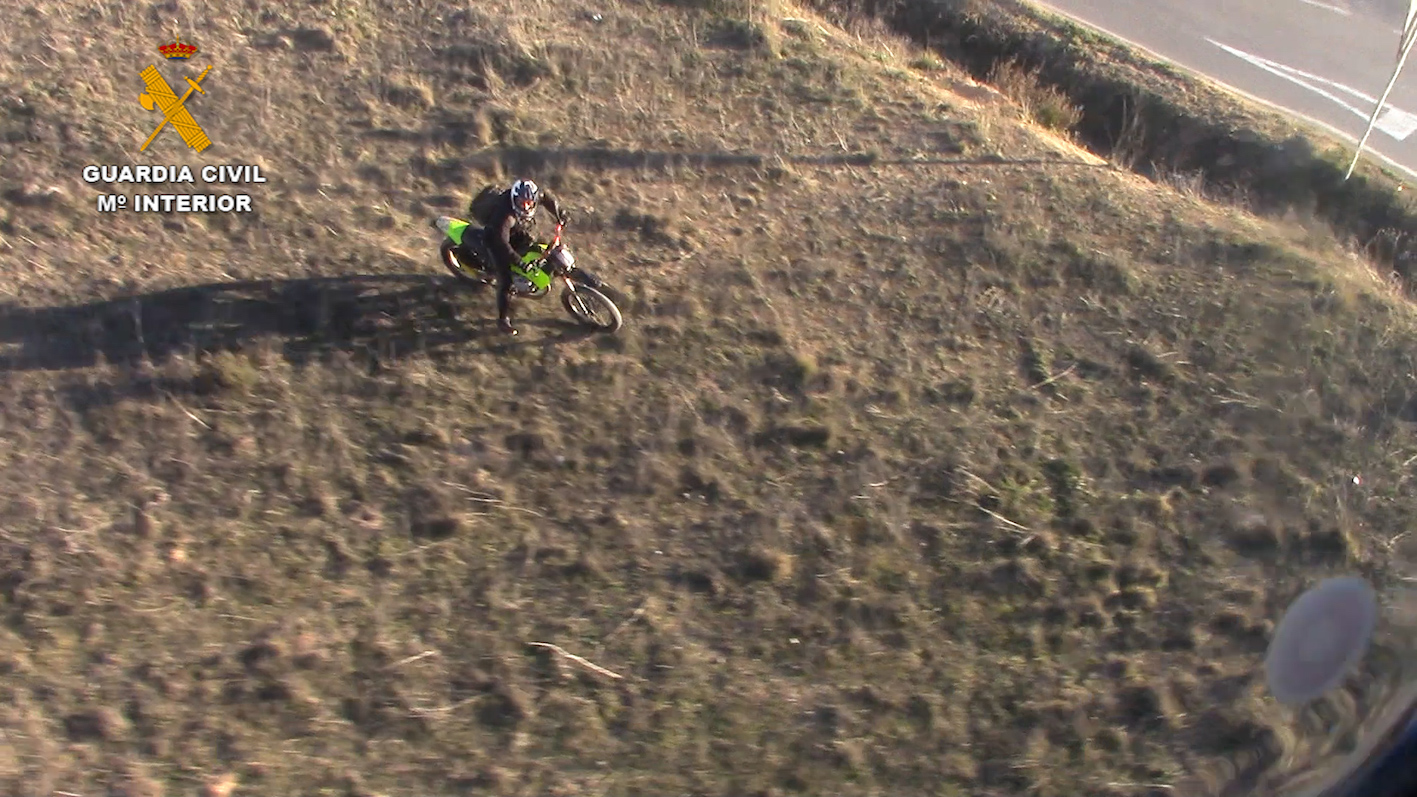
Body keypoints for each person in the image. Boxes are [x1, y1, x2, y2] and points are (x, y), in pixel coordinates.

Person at [465, 179, 568, 336]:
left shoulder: (532, 196)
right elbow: (502, 245)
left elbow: (546, 198)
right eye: (522, 202)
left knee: (534, 247)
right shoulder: (505, 218)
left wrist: (559, 213)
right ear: (514, 198)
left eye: (529, 202)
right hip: (496, 241)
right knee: (506, 283)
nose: (526, 206)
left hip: (514, 231)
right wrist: (520, 263)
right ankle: (503, 320)